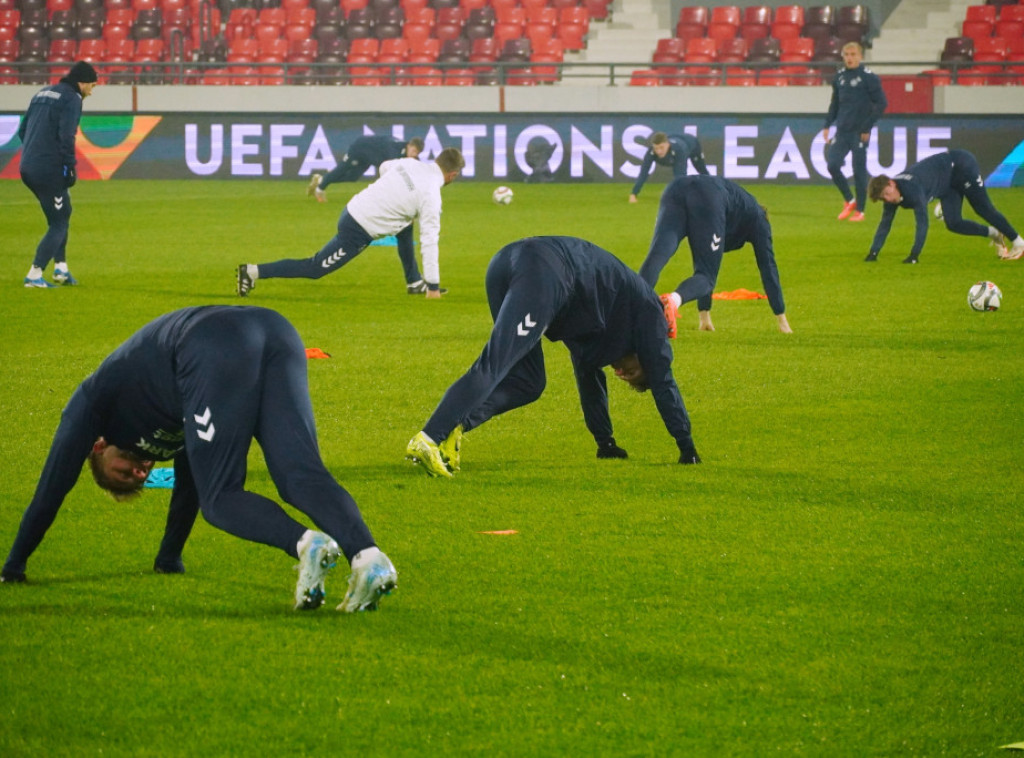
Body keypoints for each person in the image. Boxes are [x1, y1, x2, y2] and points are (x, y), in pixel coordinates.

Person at [0, 306, 397, 613]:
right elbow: (189, 482)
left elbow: (50, 490)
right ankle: (369, 558)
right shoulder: (169, 425)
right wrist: (168, 558)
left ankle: (306, 545)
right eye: (139, 477)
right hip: (275, 331)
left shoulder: (89, 410)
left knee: (221, 498)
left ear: (98, 451)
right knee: (300, 476)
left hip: (211, 342)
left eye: (122, 474)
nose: (138, 471)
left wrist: (13, 567)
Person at [404, 236, 701, 478]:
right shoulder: (650, 320)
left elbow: (590, 382)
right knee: (495, 363)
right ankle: (428, 438)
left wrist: (605, 442)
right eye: (634, 373)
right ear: (644, 357)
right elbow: (664, 382)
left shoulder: (604, 331)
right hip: (546, 269)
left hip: (513, 263)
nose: (622, 374)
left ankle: (457, 424)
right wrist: (686, 447)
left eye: (625, 379)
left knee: (530, 383)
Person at [239, 147, 465, 298]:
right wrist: (434, 287)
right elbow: (429, 241)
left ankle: (414, 282)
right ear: (453, 175)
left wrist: (393, 191)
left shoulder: (410, 163)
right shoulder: (431, 195)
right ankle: (252, 271)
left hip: (354, 208)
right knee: (315, 267)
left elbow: (385, 166)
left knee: (405, 226)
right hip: (357, 229)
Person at [639, 175, 792, 336]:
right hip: (708, 195)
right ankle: (672, 301)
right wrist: (781, 317)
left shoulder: (741, 206)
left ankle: (628, 307)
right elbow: (768, 267)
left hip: (676, 186)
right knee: (706, 276)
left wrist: (704, 317)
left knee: (658, 254)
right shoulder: (760, 221)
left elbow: (704, 256)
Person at [865, 149, 1024, 264]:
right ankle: (994, 233)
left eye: (886, 193)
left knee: (983, 208)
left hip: (961, 166)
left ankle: (1018, 243)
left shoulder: (912, 190)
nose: (887, 199)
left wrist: (914, 255)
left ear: (891, 183)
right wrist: (873, 252)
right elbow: (885, 224)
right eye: (882, 198)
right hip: (947, 184)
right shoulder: (891, 197)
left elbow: (922, 224)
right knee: (953, 223)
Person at [18, 61, 98, 288]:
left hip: (28, 165)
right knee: (58, 223)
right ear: (81, 83)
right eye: (92, 85)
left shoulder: (42, 93)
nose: (92, 91)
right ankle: (34, 275)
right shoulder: (72, 99)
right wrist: (69, 166)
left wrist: (36, 154)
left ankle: (61, 269)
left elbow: (23, 131)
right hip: (49, 168)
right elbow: (67, 135)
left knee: (63, 213)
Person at [821, 41, 887, 223]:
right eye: (846, 55)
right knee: (832, 165)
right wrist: (827, 125)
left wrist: (867, 127)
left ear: (860, 56)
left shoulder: (869, 77)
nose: (849, 58)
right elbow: (835, 103)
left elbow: (881, 104)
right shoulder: (839, 77)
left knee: (859, 171)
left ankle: (861, 211)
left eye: (853, 54)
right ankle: (849, 200)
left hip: (859, 132)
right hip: (842, 131)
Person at [306, 135, 424, 203]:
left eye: (416, 153)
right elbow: (391, 171)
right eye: (413, 151)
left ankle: (321, 179)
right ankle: (320, 188)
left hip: (369, 156)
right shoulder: (394, 150)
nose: (414, 154)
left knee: (353, 177)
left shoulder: (407, 153)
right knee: (342, 169)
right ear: (409, 145)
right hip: (360, 148)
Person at [628, 132, 709, 203]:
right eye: (656, 148)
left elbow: (680, 176)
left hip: (691, 144)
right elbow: (644, 172)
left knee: (701, 170)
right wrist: (633, 194)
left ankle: (715, 191)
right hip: (675, 137)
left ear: (668, 144)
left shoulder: (679, 150)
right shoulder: (651, 152)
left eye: (661, 147)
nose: (659, 151)